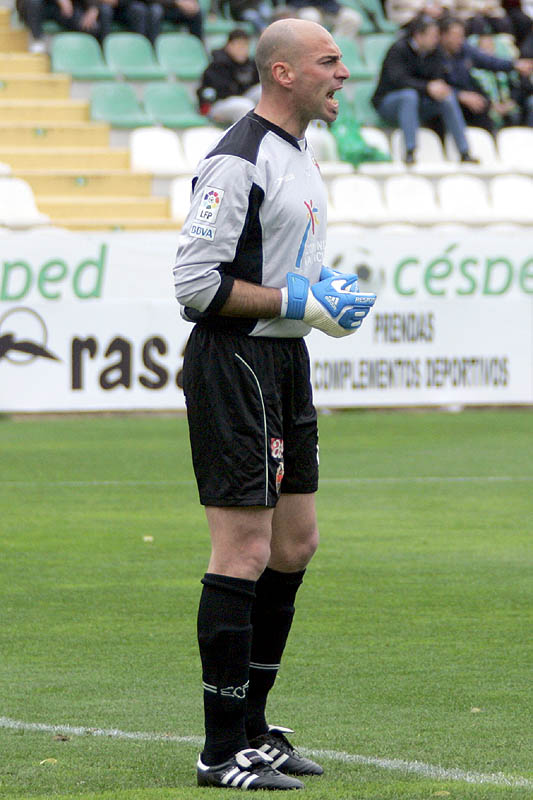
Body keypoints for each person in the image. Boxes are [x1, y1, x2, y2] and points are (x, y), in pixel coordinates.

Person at [172, 17, 376, 792]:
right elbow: (195, 284)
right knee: (244, 552)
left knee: (295, 544)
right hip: (235, 362)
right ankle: (220, 750)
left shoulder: (298, 153)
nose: (342, 74)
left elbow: (278, 271)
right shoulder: (236, 158)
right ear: (283, 72)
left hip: (284, 359)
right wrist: (295, 299)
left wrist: (321, 296)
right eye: (329, 61)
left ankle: (255, 729)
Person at [372, 13, 479, 163]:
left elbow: (437, 78)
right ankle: (410, 151)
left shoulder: (436, 52)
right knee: (409, 96)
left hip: (420, 102)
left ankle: (464, 151)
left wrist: (438, 88)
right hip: (389, 102)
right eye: (433, 36)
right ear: (419, 35)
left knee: (447, 98)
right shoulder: (398, 49)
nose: (436, 39)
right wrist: (427, 87)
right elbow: (398, 80)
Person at [439, 16, 533, 130]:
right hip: (449, 99)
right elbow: (433, 85)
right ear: (443, 36)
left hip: (471, 97)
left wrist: (514, 65)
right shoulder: (434, 56)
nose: (460, 40)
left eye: (461, 35)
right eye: (456, 36)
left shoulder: (464, 49)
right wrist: (460, 95)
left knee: (484, 105)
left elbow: (489, 61)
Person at [197, 28, 261, 124]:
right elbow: (209, 93)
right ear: (229, 46)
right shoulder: (218, 65)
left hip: (243, 98)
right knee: (245, 105)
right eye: (238, 45)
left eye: (245, 45)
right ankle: (246, 134)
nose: (242, 49)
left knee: (263, 91)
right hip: (220, 104)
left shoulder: (250, 64)